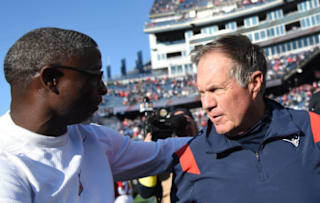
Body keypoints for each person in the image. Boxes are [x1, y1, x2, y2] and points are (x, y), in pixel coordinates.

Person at [0, 27, 189, 203]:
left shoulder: (93, 138)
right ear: (51, 80)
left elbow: (163, 153)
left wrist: (212, 137)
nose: (104, 89)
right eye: (95, 77)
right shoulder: (7, 164)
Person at [170, 34, 320, 203]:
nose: (206, 104)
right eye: (202, 92)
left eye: (215, 89)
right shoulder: (190, 159)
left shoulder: (313, 128)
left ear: (254, 83)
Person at [138, 108, 198, 203]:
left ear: (195, 123)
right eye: (177, 122)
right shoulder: (165, 155)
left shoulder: (208, 146)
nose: (183, 127)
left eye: (185, 121)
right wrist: (149, 152)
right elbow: (146, 191)